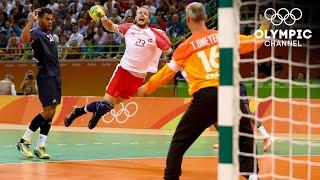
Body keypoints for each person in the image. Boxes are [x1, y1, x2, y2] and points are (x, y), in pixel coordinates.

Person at [137, 2, 270, 180]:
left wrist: (147, 87)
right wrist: (265, 25)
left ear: (188, 19)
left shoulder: (184, 47)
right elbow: (256, 41)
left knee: (179, 142)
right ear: (206, 18)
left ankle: (171, 177)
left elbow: (167, 73)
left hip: (206, 96)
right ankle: (253, 176)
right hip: (231, 93)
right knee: (245, 136)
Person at [64, 6, 172, 129]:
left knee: (109, 105)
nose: (142, 15)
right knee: (106, 105)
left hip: (138, 79)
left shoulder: (155, 35)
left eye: (145, 14)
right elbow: (110, 26)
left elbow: (169, 52)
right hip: (123, 72)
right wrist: (103, 17)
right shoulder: (129, 28)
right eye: (140, 13)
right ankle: (87, 114)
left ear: (149, 19)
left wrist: (170, 59)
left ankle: (79, 111)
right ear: (136, 17)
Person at [16, 8, 61, 159]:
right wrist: (31, 20)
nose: (50, 21)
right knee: (47, 111)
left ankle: (40, 146)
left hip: (55, 77)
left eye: (51, 19)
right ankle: (24, 141)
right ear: (40, 19)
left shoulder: (51, 35)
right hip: (45, 76)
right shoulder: (36, 32)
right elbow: (23, 39)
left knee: (52, 112)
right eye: (47, 19)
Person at [212, 82, 274, 152]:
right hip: (221, 87)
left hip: (236, 85)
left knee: (247, 112)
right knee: (213, 114)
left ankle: (266, 137)